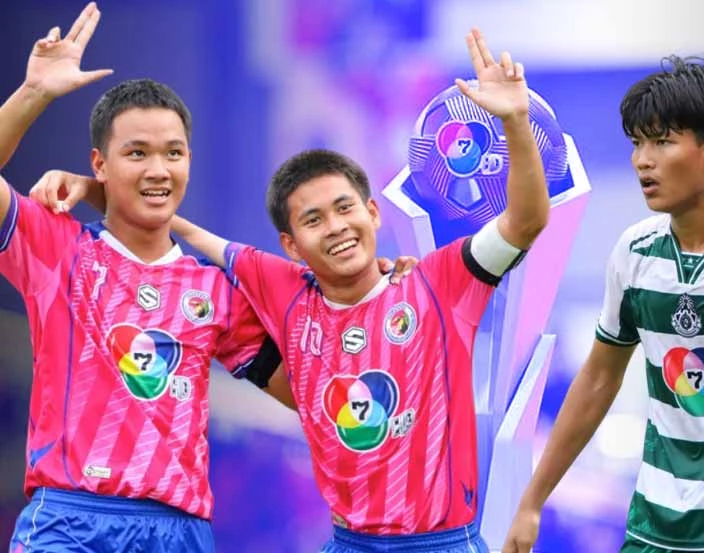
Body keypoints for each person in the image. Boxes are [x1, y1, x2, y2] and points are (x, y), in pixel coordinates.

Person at [37, 27, 549, 553]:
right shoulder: (284, 290)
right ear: (292, 246)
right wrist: (101, 193)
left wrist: (514, 121)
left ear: (373, 212)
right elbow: (195, 234)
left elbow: (527, 221)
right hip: (347, 543)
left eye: (345, 208)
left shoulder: (439, 281)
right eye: (313, 219)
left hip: (442, 543)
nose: (336, 227)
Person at [1, 4, 412, 551]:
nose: (158, 170)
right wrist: (34, 93)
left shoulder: (214, 291)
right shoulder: (57, 248)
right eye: (137, 153)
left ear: (189, 161)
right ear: (99, 164)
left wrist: (371, 293)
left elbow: (311, 391)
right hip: (72, 523)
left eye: (172, 153)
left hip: (179, 532)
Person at [503, 57, 704, 553]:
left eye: (661, 142)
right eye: (637, 143)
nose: (642, 160)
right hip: (655, 527)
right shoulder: (635, 253)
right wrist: (533, 500)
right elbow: (598, 380)